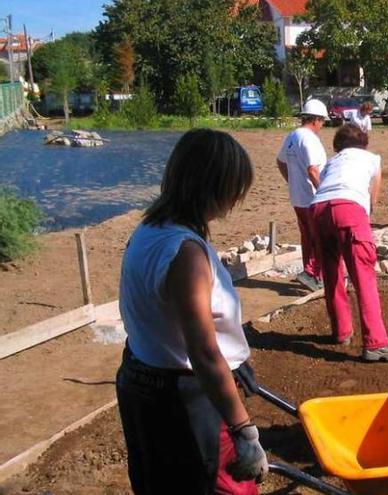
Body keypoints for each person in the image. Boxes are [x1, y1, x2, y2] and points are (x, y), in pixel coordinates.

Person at [116, 129, 268, 494]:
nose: (236, 200)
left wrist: (235, 362)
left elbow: (165, 319)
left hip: (143, 379)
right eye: (234, 188)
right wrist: (242, 429)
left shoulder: (150, 230)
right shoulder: (186, 253)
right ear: (214, 186)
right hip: (185, 397)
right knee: (216, 485)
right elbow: (201, 350)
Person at [310, 124, 388, 362]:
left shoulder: (333, 161)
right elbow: (373, 195)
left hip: (319, 208)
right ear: (364, 143)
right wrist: (365, 214)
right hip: (349, 208)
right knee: (364, 275)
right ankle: (376, 343)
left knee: (332, 273)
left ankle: (341, 331)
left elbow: (323, 184)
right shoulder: (372, 158)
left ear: (338, 146)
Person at [277, 99, 329, 291]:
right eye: (322, 121)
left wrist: (291, 181)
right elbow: (313, 170)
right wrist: (325, 193)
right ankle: (312, 274)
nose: (322, 125)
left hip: (298, 197)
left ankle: (310, 274)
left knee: (307, 237)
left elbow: (280, 161)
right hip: (312, 198)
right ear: (315, 119)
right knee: (321, 238)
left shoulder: (292, 136)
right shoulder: (309, 139)